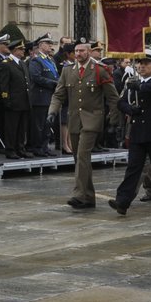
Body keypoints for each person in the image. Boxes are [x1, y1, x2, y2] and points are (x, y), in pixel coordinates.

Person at [49, 40, 118, 210]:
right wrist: (52, 111)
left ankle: (79, 194)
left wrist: (114, 121)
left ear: (88, 52)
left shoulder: (100, 70)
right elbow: (59, 94)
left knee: (82, 155)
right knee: (79, 159)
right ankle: (88, 197)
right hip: (74, 119)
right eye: (76, 51)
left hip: (92, 119)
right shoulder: (67, 71)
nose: (78, 54)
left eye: (81, 51)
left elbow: (112, 97)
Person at [108, 50, 151, 217]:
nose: (141, 66)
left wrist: (139, 86)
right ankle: (122, 201)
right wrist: (130, 109)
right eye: (139, 63)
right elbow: (121, 102)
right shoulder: (132, 82)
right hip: (138, 132)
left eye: (146, 63)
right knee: (133, 168)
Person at [26, 35, 59, 157]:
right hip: (39, 97)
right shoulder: (36, 60)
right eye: (48, 43)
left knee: (47, 124)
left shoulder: (50, 60)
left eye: (51, 43)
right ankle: (37, 147)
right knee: (38, 125)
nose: (51, 46)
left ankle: (45, 147)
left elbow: (55, 75)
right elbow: (36, 77)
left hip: (50, 97)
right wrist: (53, 84)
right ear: (40, 45)